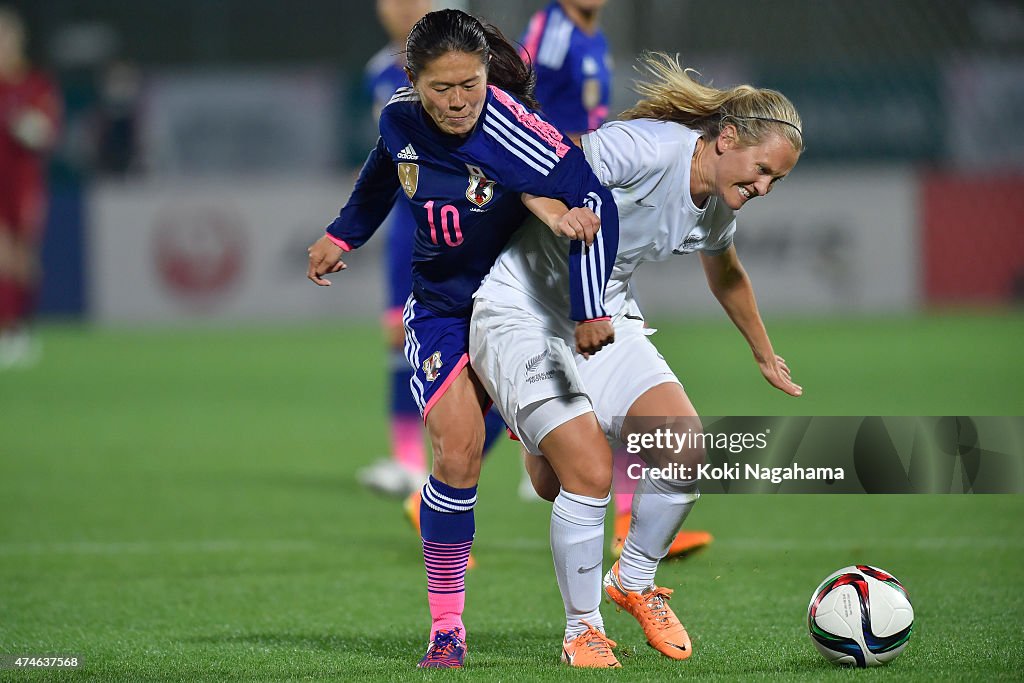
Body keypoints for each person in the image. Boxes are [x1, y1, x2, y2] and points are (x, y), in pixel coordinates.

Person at [306, 9, 619, 669]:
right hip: (445, 309)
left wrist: (589, 301)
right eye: (440, 88)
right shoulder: (397, 117)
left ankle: (594, 568)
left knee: (566, 475)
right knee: (456, 457)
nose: (456, 101)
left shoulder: (516, 131)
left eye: (470, 85)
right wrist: (341, 235)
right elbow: (381, 175)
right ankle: (447, 628)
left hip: (521, 310)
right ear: (412, 79)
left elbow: (592, 195)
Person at [469, 52, 804, 666]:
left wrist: (764, 352)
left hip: (605, 320)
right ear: (726, 139)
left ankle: (634, 582)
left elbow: (726, 273)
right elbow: (549, 163)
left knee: (685, 444)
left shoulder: (718, 203)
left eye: (775, 182)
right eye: (760, 171)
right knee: (584, 475)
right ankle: (582, 632)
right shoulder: (647, 149)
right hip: (520, 312)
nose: (762, 189)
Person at [520, 0, 713, 559]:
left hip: (589, 191)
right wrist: (546, 172)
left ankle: (631, 518)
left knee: (612, 353)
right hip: (557, 191)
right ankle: (449, 478)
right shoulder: (550, 29)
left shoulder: (593, 35)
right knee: (518, 381)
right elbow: (519, 100)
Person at [0, 6, 61, 369]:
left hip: (23, 183)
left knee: (24, 261)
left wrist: (20, 122)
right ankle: (6, 331)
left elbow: (46, 131)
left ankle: (22, 329)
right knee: (2, 256)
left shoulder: (34, 84)